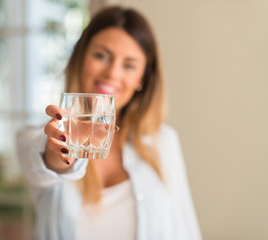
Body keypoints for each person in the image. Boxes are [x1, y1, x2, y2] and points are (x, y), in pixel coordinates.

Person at [17, 5, 202, 240]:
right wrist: (64, 145)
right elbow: (46, 165)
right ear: (80, 58)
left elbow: (184, 228)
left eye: (129, 65)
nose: (112, 73)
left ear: (142, 79)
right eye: (101, 56)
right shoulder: (32, 138)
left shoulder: (163, 141)